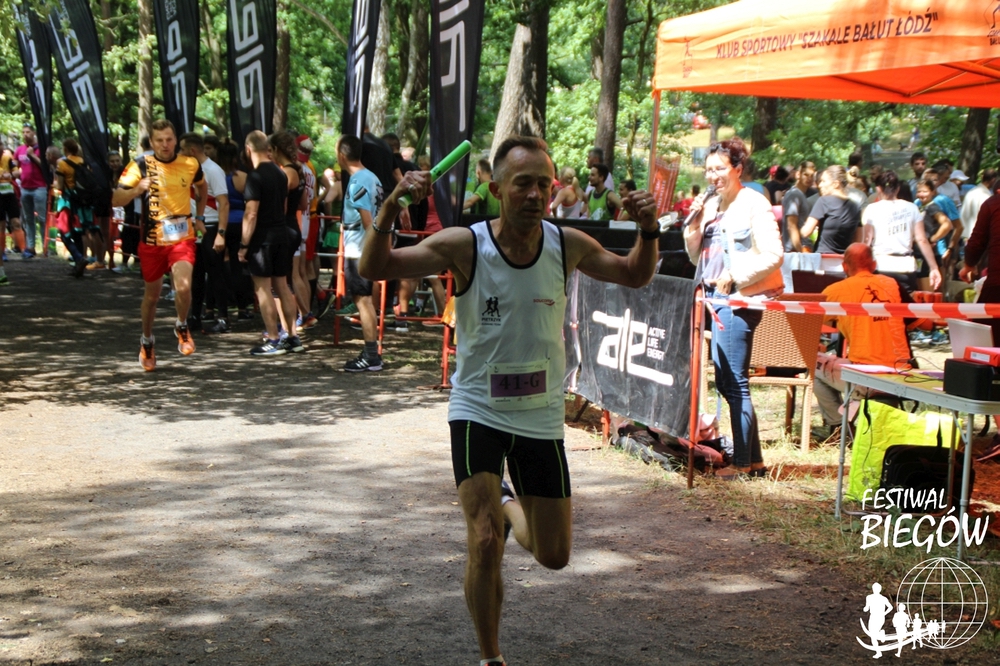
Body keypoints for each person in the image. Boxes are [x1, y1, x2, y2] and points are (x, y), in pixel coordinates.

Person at [358, 135, 659, 666]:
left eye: (544, 183)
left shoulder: (566, 244)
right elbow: (374, 268)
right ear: (496, 190)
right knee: (483, 541)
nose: (536, 194)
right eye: (523, 184)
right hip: (478, 408)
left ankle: (504, 502)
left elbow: (635, 274)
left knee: (554, 555)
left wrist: (650, 231)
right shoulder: (464, 245)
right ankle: (491, 657)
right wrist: (389, 208)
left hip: (539, 415)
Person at [684, 136, 783, 479]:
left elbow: (774, 254)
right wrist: (694, 222)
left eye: (720, 169)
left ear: (737, 169)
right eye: (708, 169)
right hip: (713, 300)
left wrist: (734, 275)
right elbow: (696, 257)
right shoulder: (712, 205)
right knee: (726, 382)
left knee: (735, 383)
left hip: (739, 301)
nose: (713, 176)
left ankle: (742, 464)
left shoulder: (754, 203)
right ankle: (753, 463)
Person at [113, 118, 207, 371]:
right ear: (152, 143)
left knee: (184, 286)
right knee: (152, 296)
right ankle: (147, 341)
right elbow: (116, 199)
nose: (165, 144)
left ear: (176, 140)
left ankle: (182, 325)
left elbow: (202, 186)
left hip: (182, 238)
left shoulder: (190, 163)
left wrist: (199, 217)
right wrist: (136, 190)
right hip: (153, 241)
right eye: (159, 140)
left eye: (169, 139)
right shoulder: (140, 165)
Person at [812, 244, 912, 439]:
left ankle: (838, 428)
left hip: (865, 377)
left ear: (844, 267)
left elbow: (810, 321)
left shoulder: (836, 290)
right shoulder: (893, 284)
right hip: (903, 374)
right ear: (874, 264)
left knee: (812, 365)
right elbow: (922, 323)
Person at [238, 130, 301, 356]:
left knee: (263, 288)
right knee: (282, 286)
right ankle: (292, 336)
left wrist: (244, 244)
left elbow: (251, 213)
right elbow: (284, 206)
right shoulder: (281, 173)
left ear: (248, 150)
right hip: (281, 233)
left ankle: (273, 338)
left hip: (262, 239)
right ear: (268, 149)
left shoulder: (255, 176)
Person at [338, 134, 384, 371]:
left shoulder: (358, 181)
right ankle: (371, 353)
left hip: (359, 249)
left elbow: (368, 221)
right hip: (365, 248)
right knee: (365, 301)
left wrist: (373, 247)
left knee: (363, 301)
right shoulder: (373, 177)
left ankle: (371, 355)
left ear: (341, 155)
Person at [179, 132, 230, 333]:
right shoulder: (187, 169)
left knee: (216, 274)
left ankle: (223, 317)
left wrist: (221, 233)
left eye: (182, 149)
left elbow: (223, 203)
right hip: (191, 228)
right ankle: (195, 316)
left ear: (192, 150)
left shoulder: (213, 170)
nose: (179, 153)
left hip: (211, 226)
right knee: (196, 274)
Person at [862, 171, 941, 297]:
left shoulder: (871, 209)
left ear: (878, 189)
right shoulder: (912, 208)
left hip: (881, 264)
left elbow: (867, 241)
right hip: (905, 266)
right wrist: (934, 267)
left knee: (881, 302)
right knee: (905, 304)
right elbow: (922, 239)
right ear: (898, 188)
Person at [269, 130, 309, 344]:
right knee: (284, 282)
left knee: (280, 285)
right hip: (293, 226)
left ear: (276, 149)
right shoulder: (298, 170)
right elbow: (303, 203)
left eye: (270, 150)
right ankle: (290, 330)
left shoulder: (286, 173)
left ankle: (288, 331)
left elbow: (280, 205)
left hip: (284, 228)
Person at [799, 165, 862, 255]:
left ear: (836, 184)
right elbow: (858, 240)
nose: (820, 185)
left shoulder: (823, 201)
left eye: (823, 181)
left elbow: (806, 232)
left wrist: (794, 228)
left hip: (823, 258)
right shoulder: (855, 207)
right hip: (844, 259)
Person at [53, 139, 92, 276]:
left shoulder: (62, 164)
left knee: (64, 232)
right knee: (78, 233)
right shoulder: (83, 162)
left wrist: (54, 185)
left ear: (65, 149)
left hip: (68, 202)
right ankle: (79, 266)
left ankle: (78, 258)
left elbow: (60, 186)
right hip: (82, 201)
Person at [915, 177, 961, 285]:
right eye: (919, 191)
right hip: (919, 254)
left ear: (932, 192)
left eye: (925, 191)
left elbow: (947, 224)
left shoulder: (932, 207)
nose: (921, 194)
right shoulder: (919, 206)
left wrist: (933, 239)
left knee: (928, 289)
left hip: (930, 255)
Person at [15, 123, 47, 258]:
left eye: (28, 132)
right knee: (28, 219)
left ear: (34, 133)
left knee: (42, 218)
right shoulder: (19, 150)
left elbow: (45, 167)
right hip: (25, 188)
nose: (25, 135)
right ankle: (31, 247)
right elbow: (16, 167)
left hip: (40, 187)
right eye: (23, 132)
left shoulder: (41, 148)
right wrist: (14, 174)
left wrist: (33, 155)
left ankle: (46, 247)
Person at [782, 160, 816, 251]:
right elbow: (791, 226)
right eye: (806, 174)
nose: (809, 178)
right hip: (795, 250)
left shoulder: (801, 194)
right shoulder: (794, 195)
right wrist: (800, 251)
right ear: (798, 174)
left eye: (812, 176)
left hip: (804, 247)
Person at [961, 168, 997, 241]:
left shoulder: (971, 192)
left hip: (968, 234)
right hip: (979, 235)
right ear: (993, 180)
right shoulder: (986, 197)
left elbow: (963, 214)